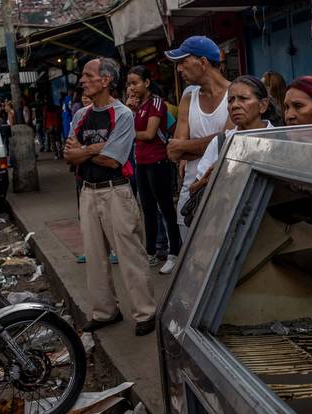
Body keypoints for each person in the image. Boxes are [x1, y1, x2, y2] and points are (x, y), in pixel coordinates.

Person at [63, 57, 156, 336]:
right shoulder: (81, 115)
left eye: (88, 75)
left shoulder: (123, 114)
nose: (83, 80)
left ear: (105, 80)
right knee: (95, 256)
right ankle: (105, 312)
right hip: (88, 192)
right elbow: (69, 154)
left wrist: (86, 151)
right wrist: (96, 149)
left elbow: (114, 160)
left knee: (130, 255)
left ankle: (145, 313)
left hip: (116, 191)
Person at [164, 35, 232, 239]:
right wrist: (216, 141)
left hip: (225, 191)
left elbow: (229, 143)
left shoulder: (236, 94)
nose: (179, 69)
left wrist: (187, 147)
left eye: (183, 61)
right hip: (190, 195)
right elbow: (174, 151)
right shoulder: (188, 97)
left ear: (203, 62)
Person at [126, 65, 181, 274]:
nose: (131, 88)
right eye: (129, 84)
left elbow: (149, 134)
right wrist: (129, 109)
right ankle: (150, 252)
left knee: (165, 207)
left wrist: (130, 133)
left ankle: (174, 251)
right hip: (141, 161)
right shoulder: (137, 106)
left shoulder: (156, 103)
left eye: (135, 83)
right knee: (147, 208)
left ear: (147, 83)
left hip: (158, 161)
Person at [193, 75, 280, 194]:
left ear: (263, 105)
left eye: (243, 98)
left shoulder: (279, 140)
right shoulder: (221, 142)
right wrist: (209, 180)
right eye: (230, 100)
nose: (234, 105)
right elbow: (192, 190)